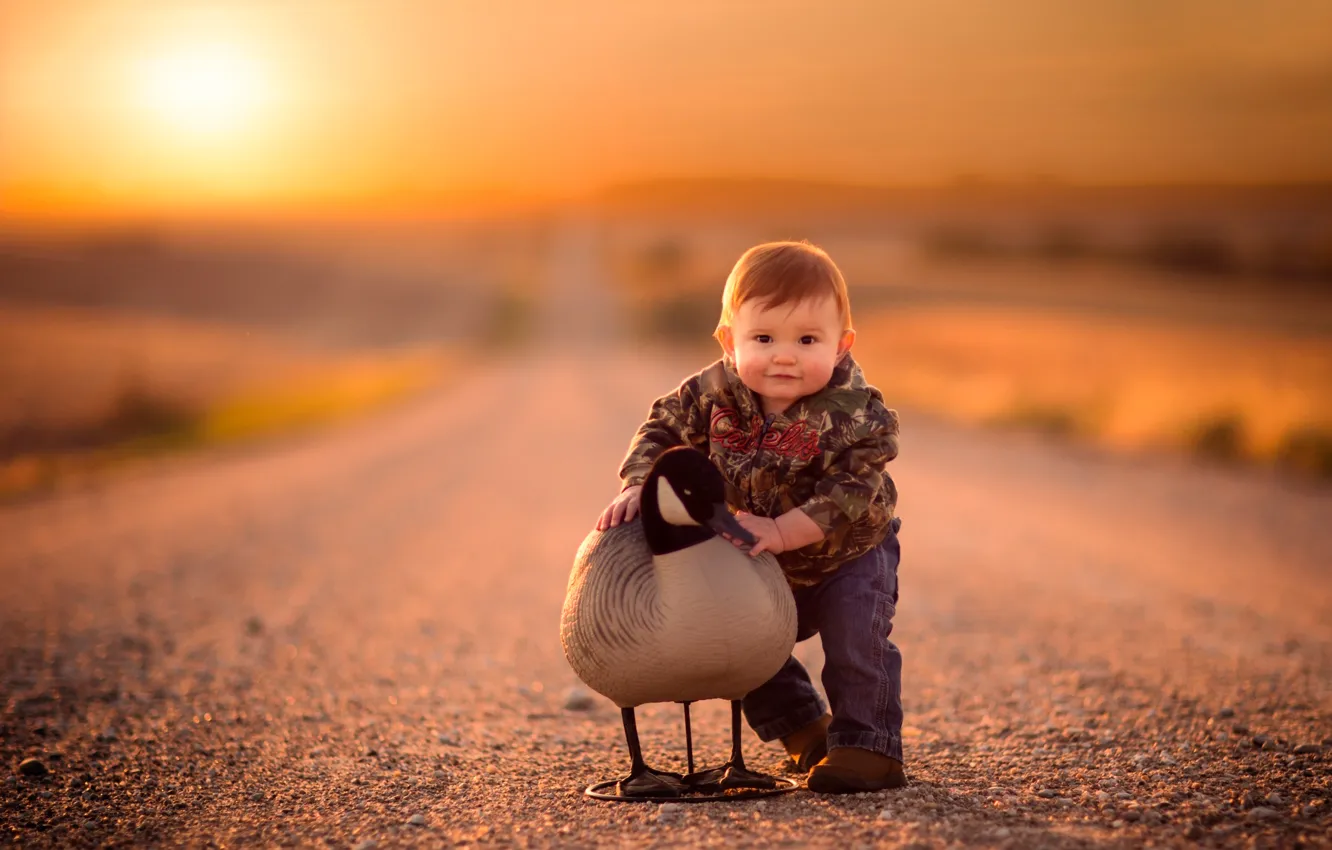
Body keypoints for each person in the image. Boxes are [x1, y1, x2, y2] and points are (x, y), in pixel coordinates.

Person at [595, 240, 906, 793]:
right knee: (742, 642)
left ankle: (868, 746)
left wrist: (787, 531)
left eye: (807, 340)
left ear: (842, 346)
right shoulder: (711, 393)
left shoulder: (856, 411)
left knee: (855, 643)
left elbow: (854, 488)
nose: (784, 355)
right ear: (728, 341)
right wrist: (640, 480)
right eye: (763, 338)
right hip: (757, 550)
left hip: (847, 555)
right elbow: (662, 430)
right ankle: (805, 729)